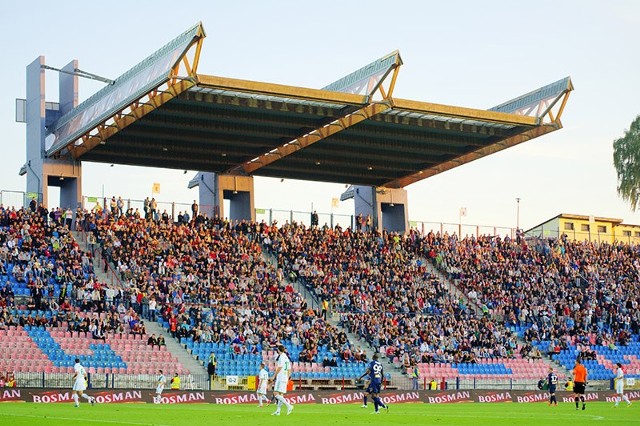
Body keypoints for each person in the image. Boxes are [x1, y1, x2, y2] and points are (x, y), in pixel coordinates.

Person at [271, 345, 294, 416]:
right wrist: (287, 377)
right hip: (285, 377)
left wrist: (274, 376)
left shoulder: (281, 357)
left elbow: (280, 367)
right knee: (281, 394)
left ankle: (289, 406)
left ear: (278, 350)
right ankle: (278, 411)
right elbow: (289, 369)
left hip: (280, 377)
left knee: (275, 393)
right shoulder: (286, 358)